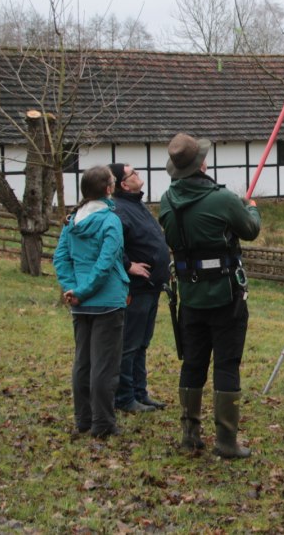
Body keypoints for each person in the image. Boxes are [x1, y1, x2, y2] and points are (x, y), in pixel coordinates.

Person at [158, 133, 261, 459]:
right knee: (227, 364)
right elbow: (250, 230)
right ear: (202, 164)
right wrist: (251, 209)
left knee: (193, 364)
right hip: (225, 293)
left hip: (189, 295)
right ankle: (227, 442)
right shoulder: (223, 199)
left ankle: (190, 435)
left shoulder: (166, 200)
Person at [53, 165, 129, 439]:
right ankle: (102, 423)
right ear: (109, 189)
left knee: (83, 361)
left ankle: (83, 419)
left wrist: (71, 288)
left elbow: (61, 259)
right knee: (104, 365)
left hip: (80, 301)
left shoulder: (73, 220)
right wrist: (82, 290)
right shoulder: (110, 221)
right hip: (106, 300)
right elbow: (106, 263)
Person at [107, 163, 171, 414]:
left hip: (152, 285)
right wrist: (128, 265)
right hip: (136, 287)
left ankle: (140, 392)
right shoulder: (119, 210)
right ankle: (124, 397)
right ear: (124, 184)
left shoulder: (135, 204)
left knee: (142, 342)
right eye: (133, 173)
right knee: (130, 343)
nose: (138, 175)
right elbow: (112, 244)